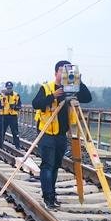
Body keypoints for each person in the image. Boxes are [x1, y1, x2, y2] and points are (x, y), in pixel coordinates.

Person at [32, 60, 92, 210]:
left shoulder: (72, 88)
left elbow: (87, 98)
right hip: (47, 132)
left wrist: (78, 81)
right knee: (47, 165)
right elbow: (36, 104)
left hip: (61, 134)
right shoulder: (46, 88)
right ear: (56, 73)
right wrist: (53, 96)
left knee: (55, 166)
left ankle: (52, 194)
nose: (65, 73)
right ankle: (48, 197)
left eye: (68, 71)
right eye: (62, 70)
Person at [0, 81, 21, 149]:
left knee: (15, 132)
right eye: (8, 88)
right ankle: (0, 146)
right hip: (3, 115)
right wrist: (1, 106)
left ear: (12, 88)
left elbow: (19, 106)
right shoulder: (1, 95)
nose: (9, 89)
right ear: (6, 88)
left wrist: (15, 107)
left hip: (13, 116)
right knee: (2, 131)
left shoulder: (16, 95)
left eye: (10, 88)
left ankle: (17, 146)